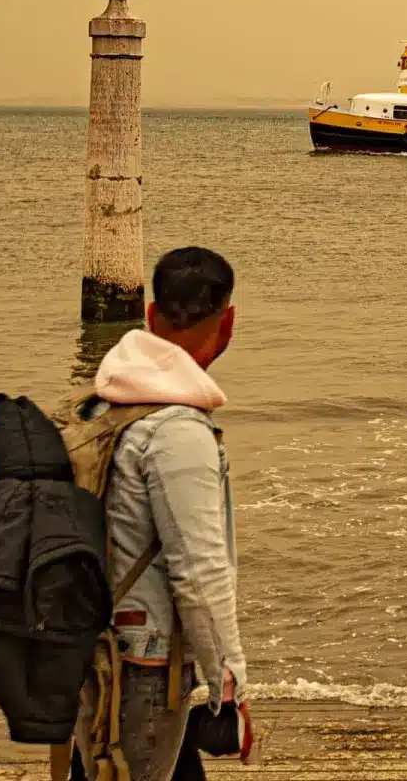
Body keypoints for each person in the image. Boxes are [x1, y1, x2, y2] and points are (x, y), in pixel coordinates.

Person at [75, 246, 253, 780]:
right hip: (144, 667)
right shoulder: (178, 432)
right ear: (228, 323)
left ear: (150, 316)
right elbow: (199, 572)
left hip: (92, 650)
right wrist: (229, 683)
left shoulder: (101, 405)